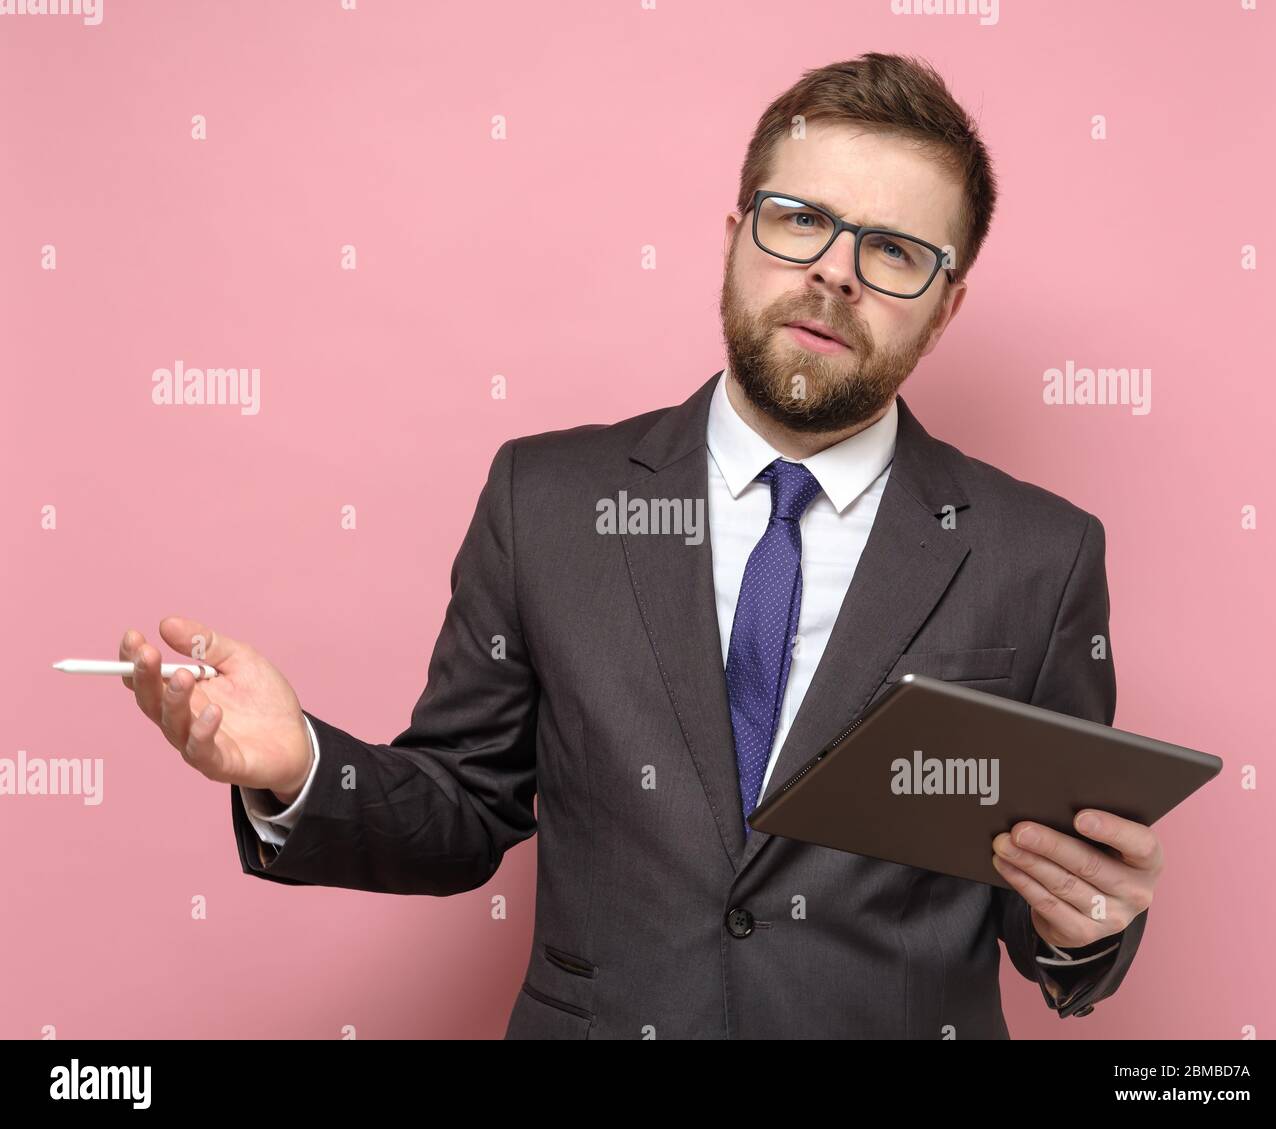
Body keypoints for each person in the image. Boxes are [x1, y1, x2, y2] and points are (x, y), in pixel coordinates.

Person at [120, 52, 1160, 1039]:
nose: (835, 273)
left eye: (893, 250)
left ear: (944, 308)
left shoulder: (1041, 557)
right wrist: (300, 764)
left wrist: (1088, 928)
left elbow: (1050, 906)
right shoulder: (547, 501)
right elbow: (464, 807)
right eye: (799, 219)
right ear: (736, 235)